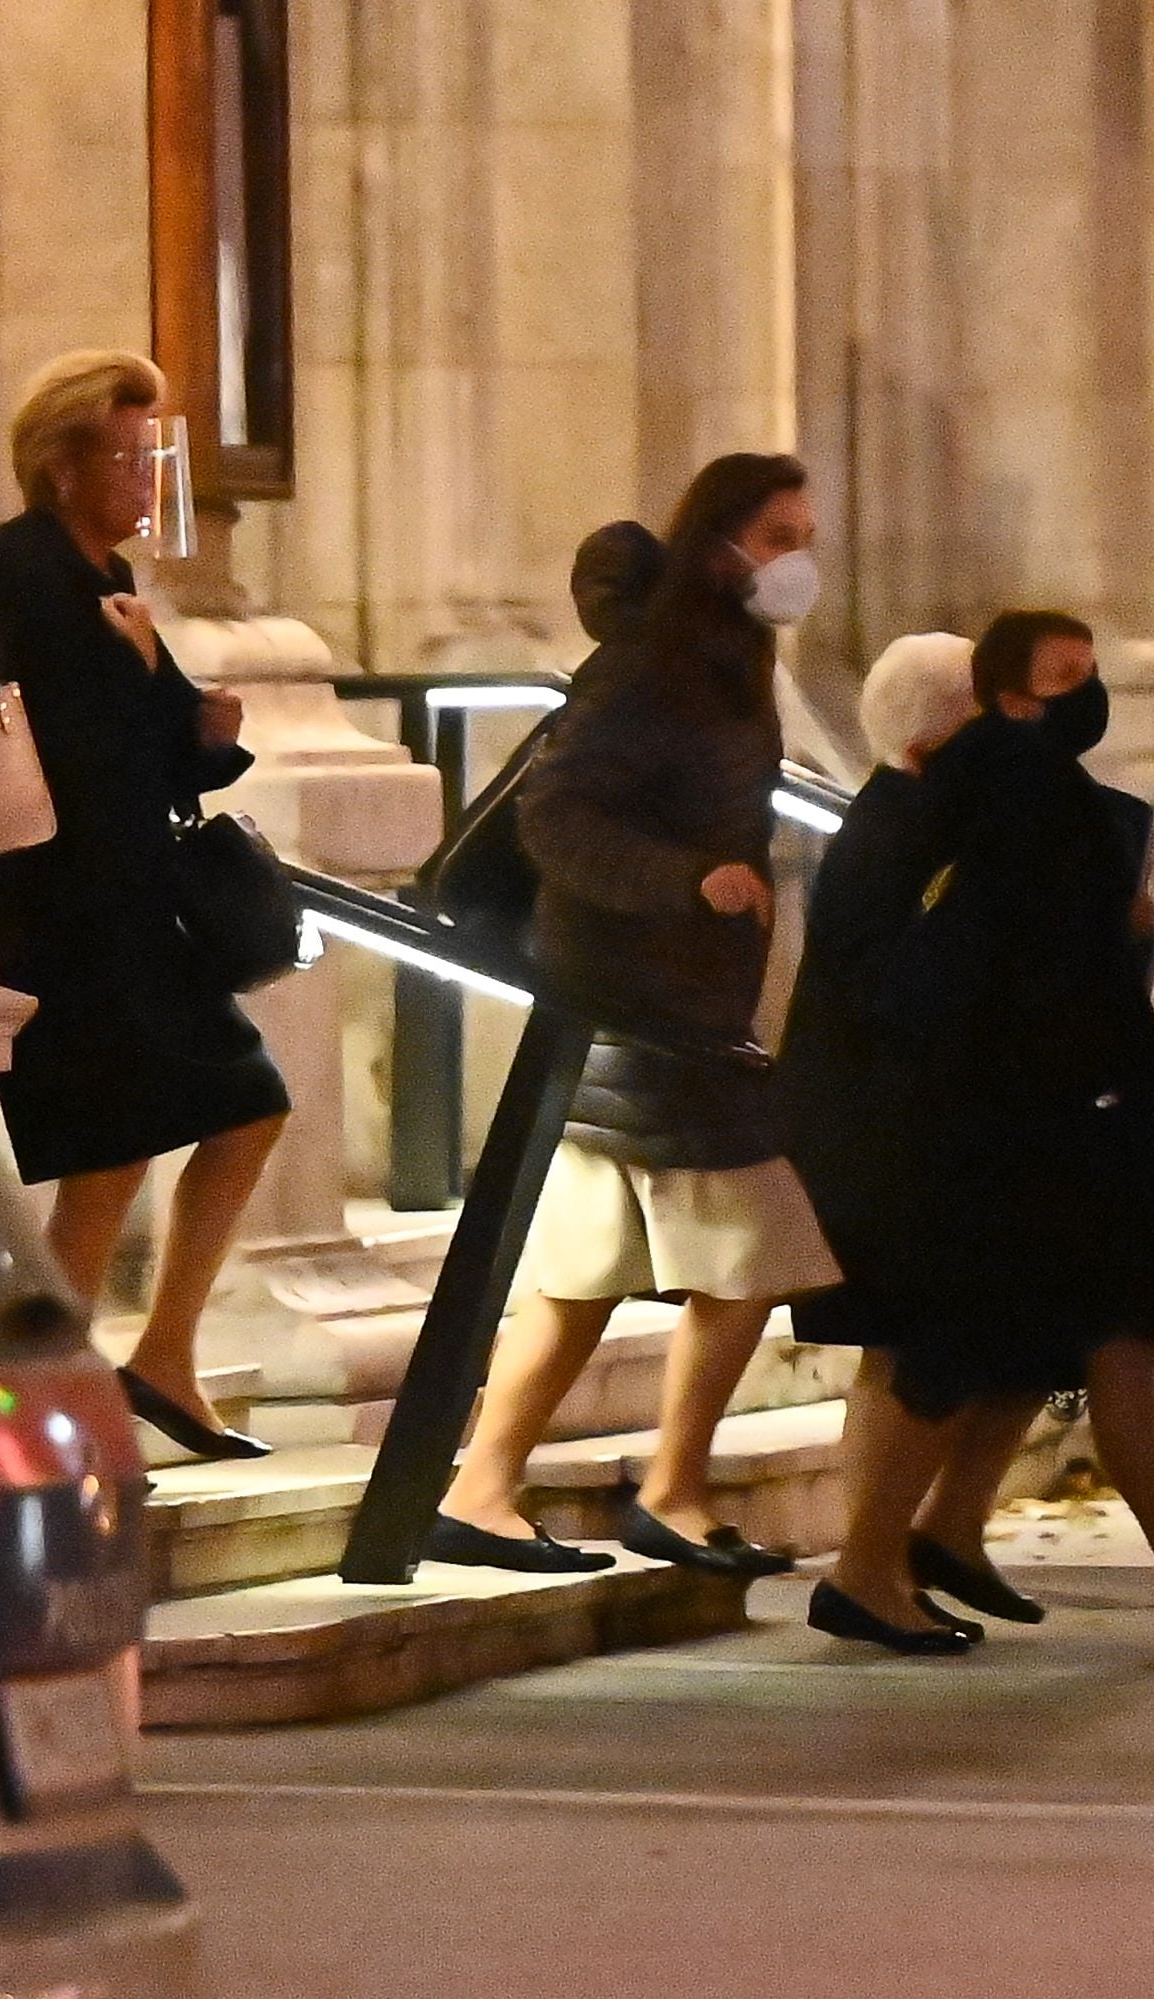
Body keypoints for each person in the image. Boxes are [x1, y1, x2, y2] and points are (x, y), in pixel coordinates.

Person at [783, 617, 1154, 1656]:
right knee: (972, 1349)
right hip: (997, 1131)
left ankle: (982, 1540)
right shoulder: (983, 811)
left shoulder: (972, 811)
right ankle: (872, 1565)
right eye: (1058, 681)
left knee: (1084, 1340)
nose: (1082, 700)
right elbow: (982, 977)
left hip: (1019, 1124)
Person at [430, 453, 843, 1575]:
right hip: (641, 1007)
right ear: (717, 545)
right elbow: (557, 817)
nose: (797, 561)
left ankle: (488, 1484)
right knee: (756, 1245)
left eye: (804, 535)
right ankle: (658, 1485)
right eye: (777, 537)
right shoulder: (658, 671)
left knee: (585, 1272)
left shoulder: (720, 662)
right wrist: (686, 881)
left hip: (668, 1005)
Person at [0, 350, 288, 1460]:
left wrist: (204, 726)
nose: (146, 478)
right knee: (111, 1151)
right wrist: (154, 692)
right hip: (67, 914)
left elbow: (167, 753)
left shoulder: (107, 578)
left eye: (153, 455)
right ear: (63, 461)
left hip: (137, 912)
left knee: (226, 1111)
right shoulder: (16, 567)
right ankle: (41, 1401)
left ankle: (154, 1357)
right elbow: (76, 762)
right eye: (129, 456)